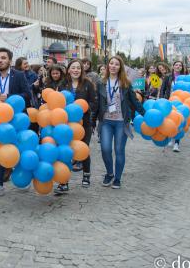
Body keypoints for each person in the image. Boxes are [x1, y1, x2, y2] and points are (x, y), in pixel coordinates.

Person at [0, 47, 32, 198]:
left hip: (16, 121)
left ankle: (24, 177)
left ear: (10, 61)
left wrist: (9, 97)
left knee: (19, 150)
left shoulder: (18, 76)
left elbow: (27, 95)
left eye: (3, 58)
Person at [93, 55, 145, 190]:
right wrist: (92, 121)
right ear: (107, 66)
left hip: (121, 122)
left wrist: (146, 115)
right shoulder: (101, 83)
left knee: (119, 150)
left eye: (116, 64)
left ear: (120, 67)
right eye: (111, 63)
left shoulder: (125, 83)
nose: (113, 66)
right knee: (105, 149)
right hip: (106, 122)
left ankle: (117, 178)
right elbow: (97, 103)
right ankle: (109, 173)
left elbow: (135, 102)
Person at [58, 59, 97, 193]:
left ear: (82, 71)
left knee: (83, 149)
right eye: (73, 68)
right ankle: (63, 182)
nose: (75, 70)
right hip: (66, 124)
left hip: (84, 123)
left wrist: (82, 109)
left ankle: (86, 174)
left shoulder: (88, 84)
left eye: (78, 68)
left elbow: (93, 102)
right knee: (65, 152)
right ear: (68, 70)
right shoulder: (63, 84)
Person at [160, 60, 188, 152]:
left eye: (180, 65)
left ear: (182, 67)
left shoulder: (185, 77)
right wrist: (161, 100)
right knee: (170, 120)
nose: (178, 66)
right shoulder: (168, 76)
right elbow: (162, 89)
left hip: (181, 102)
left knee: (179, 121)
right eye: (176, 65)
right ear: (173, 66)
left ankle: (176, 143)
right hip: (169, 101)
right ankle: (171, 138)